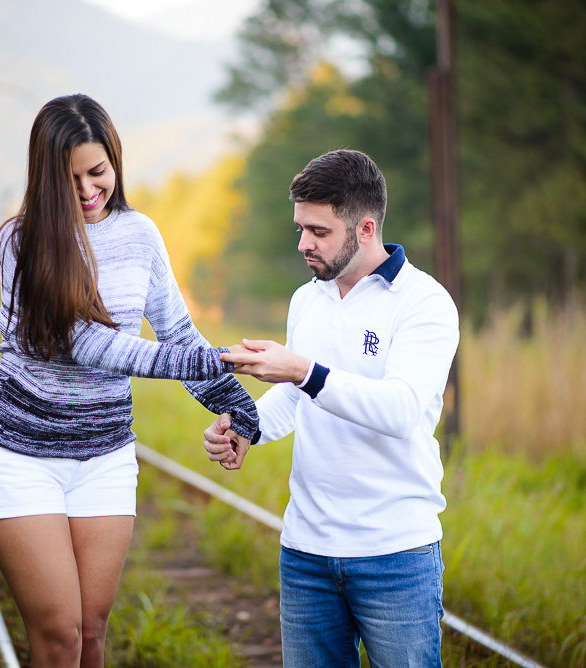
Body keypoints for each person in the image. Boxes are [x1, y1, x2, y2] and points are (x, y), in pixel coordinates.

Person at [0, 94, 259, 668]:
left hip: (103, 453)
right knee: (58, 634)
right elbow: (83, 344)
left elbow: (179, 334)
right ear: (44, 175)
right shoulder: (20, 242)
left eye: (98, 172)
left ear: (116, 162)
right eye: (70, 177)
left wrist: (240, 410)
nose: (86, 189)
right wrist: (210, 361)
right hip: (18, 451)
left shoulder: (141, 234)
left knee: (92, 633)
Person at [204, 149, 460, 667]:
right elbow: (301, 398)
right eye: (300, 228)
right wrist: (246, 426)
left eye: (318, 231)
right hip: (306, 553)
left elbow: (401, 409)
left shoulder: (424, 303)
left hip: (396, 555)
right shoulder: (308, 299)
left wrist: (303, 370)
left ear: (366, 228)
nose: (303, 244)